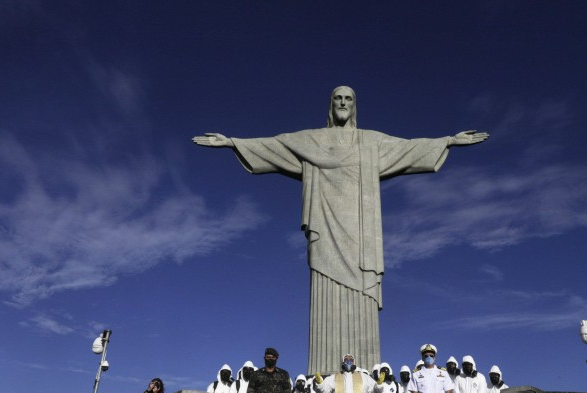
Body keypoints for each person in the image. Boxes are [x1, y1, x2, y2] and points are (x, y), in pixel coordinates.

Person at [193, 86, 489, 375]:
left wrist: (448, 141)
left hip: (361, 233)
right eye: (338, 98)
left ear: (355, 105)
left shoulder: (370, 142)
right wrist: (232, 142)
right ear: (330, 104)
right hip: (324, 226)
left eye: (349, 98)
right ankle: (321, 372)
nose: (343, 103)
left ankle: (366, 371)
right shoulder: (312, 140)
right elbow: (275, 145)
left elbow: (409, 147)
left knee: (362, 291)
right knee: (324, 285)